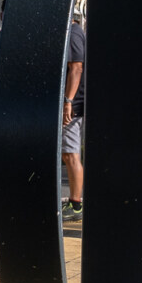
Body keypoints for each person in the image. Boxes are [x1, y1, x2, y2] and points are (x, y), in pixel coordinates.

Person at [61, 12, 86, 222]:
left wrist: (68, 101)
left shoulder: (73, 33)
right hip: (70, 102)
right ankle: (74, 201)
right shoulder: (71, 32)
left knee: (70, 154)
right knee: (66, 154)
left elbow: (76, 67)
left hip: (74, 104)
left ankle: (76, 204)